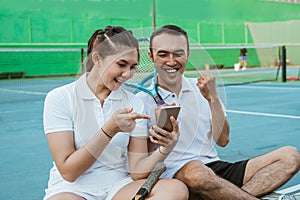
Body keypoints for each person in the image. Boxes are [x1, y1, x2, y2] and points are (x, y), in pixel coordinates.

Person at [137, 24, 300, 200]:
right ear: (151, 56)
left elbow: (222, 140)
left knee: (290, 156)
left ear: (187, 54)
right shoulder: (141, 100)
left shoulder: (203, 88)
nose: (171, 61)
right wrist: (159, 136)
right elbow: (137, 162)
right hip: (175, 176)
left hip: (214, 168)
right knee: (196, 171)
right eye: (163, 54)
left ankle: (226, 195)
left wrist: (212, 98)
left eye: (178, 53)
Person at [43, 25, 189, 200]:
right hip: (72, 189)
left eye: (133, 66)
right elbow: (69, 172)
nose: (127, 74)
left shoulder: (133, 102)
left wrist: (166, 148)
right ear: (97, 58)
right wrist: (109, 130)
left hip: (118, 186)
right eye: (121, 64)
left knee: (176, 190)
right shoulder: (60, 97)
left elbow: (137, 171)